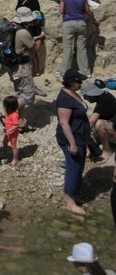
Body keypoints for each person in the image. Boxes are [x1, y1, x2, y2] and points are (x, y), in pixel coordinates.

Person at [56, 68, 90, 216]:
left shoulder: (73, 93)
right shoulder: (64, 98)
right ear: (71, 82)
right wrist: (73, 144)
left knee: (79, 165)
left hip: (80, 136)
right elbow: (64, 123)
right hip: (71, 138)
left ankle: (72, 196)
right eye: (78, 81)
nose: (81, 83)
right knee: (74, 167)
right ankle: (70, 203)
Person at [6, 7, 43, 132]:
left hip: (13, 67)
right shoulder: (23, 33)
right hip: (22, 67)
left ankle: (20, 123)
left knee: (20, 94)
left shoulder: (11, 29)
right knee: (28, 96)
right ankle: (6, 113)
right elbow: (32, 46)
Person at [58, 0, 99, 79]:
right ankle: (85, 72)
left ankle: (64, 72)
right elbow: (88, 10)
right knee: (82, 49)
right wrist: (94, 20)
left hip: (69, 23)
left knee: (67, 49)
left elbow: (61, 11)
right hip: (81, 23)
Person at [82, 80, 116, 164]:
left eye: (86, 96)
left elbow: (92, 121)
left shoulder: (105, 100)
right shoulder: (103, 96)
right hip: (111, 126)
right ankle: (95, 149)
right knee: (85, 121)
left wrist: (79, 134)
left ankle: (107, 150)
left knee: (98, 124)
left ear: (91, 95)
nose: (85, 98)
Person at [0, 95, 20, 166]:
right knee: (4, 142)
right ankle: (6, 155)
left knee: (13, 146)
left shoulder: (14, 115)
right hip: (8, 132)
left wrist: (9, 130)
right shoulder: (8, 113)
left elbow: (16, 125)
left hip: (13, 133)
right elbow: (6, 119)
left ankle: (15, 159)